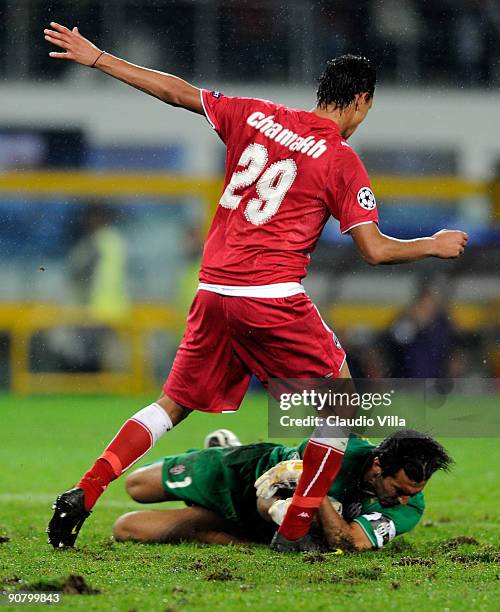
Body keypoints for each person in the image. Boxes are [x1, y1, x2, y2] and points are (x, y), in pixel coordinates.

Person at [44, 22, 468, 552]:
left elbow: (178, 92)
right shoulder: (340, 159)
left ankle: (84, 492)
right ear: (361, 100)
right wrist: (433, 242)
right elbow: (374, 249)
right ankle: (293, 532)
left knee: (171, 405)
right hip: (270, 295)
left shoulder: (256, 114)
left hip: (214, 292)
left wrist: (100, 58)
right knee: (340, 406)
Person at [112, 429, 452, 552]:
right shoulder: (335, 452)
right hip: (247, 474)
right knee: (137, 486)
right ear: (378, 465)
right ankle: (231, 447)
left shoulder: (410, 508)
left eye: (415, 490)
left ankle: (213, 527)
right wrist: (312, 491)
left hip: (265, 521)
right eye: (399, 488)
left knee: (125, 528)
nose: (406, 499)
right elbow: (266, 498)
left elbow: (347, 542)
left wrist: (313, 491)